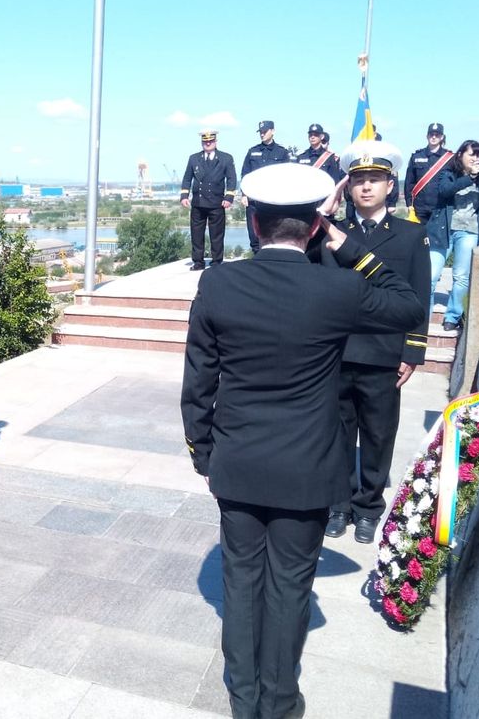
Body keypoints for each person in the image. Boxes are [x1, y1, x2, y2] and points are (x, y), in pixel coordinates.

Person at [181, 162, 424, 719]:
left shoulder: (218, 282)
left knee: (241, 584)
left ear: (253, 223)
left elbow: (198, 380)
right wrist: (348, 247)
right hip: (309, 468)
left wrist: (203, 450)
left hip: (238, 461)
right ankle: (280, 702)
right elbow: (407, 302)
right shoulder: (339, 287)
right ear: (315, 226)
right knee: (290, 587)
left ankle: (244, 702)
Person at [319, 141, 431, 544]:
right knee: (337, 432)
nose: (366, 188)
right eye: (358, 181)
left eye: (374, 180)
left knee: (379, 435)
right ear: (347, 189)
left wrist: (413, 350)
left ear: (390, 186)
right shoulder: (333, 233)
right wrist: (325, 211)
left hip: (383, 353)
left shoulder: (410, 235)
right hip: (338, 351)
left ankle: (369, 507)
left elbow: (419, 296)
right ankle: (339, 504)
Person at [415, 140, 479, 331]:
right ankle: (424, 316)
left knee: (461, 276)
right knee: (431, 276)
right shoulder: (448, 175)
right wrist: (469, 177)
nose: (476, 158)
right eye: (472, 154)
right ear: (460, 156)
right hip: (443, 230)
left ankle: (453, 315)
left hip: (469, 232)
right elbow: (445, 191)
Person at [180, 130, 238, 270]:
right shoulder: (194, 158)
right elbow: (187, 178)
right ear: (202, 142)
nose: (208, 143)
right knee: (196, 234)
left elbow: (232, 179)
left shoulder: (226, 158)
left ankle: (217, 261)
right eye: (205, 141)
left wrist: (229, 197)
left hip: (217, 203)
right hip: (198, 203)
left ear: (215, 142)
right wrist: (184, 196)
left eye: (210, 141)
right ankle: (198, 262)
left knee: (216, 234)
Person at [240, 120, 291, 253]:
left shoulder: (282, 153)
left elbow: (287, 176)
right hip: (254, 201)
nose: (262, 134)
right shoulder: (252, 151)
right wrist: (244, 194)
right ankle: (257, 258)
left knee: (273, 232)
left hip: (273, 200)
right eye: (260, 132)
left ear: (272, 131)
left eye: (265, 131)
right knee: (254, 234)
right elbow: (245, 174)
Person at [403, 122, 453, 212]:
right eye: (431, 134)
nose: (434, 137)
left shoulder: (449, 158)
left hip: (440, 207)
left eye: (437, 135)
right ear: (427, 136)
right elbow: (409, 182)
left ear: (442, 137)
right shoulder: (416, 157)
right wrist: (409, 203)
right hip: (419, 207)